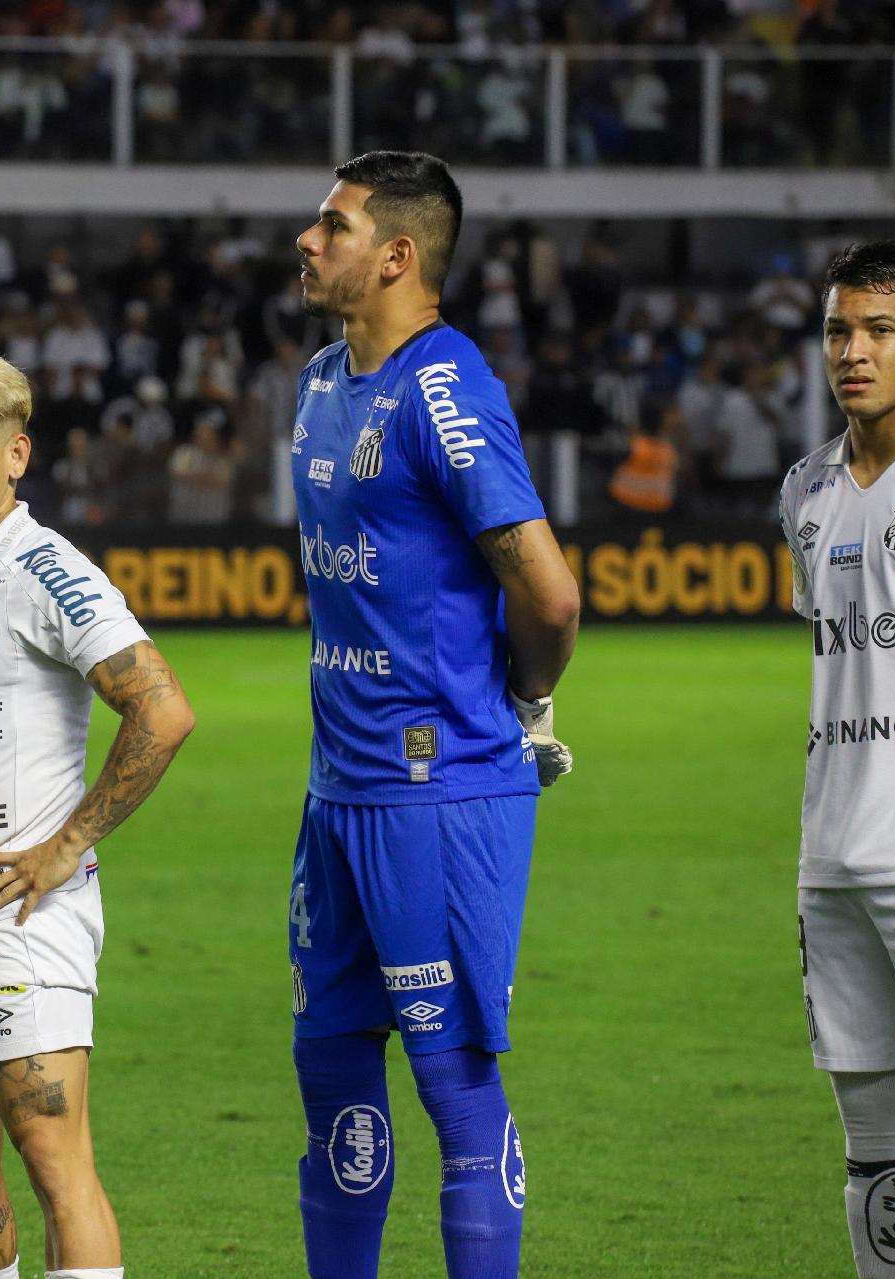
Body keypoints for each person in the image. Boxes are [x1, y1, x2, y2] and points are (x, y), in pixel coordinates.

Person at [287, 151, 581, 1279]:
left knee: (452, 1081)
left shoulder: (447, 386)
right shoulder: (322, 381)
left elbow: (548, 591)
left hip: (440, 787)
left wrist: (528, 700)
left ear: (398, 255)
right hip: (339, 791)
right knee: (330, 1073)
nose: (308, 242)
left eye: (334, 225)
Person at [0, 345, 194, 1279]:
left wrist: (67, 845)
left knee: (54, 1159)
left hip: (25, 919)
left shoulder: (45, 567)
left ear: (15, 453)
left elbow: (163, 708)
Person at [779, 239, 895, 1279]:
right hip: (833, 859)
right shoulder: (804, 490)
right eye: (838, 330)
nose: (853, 351)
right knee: (880, 1127)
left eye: (879, 330)